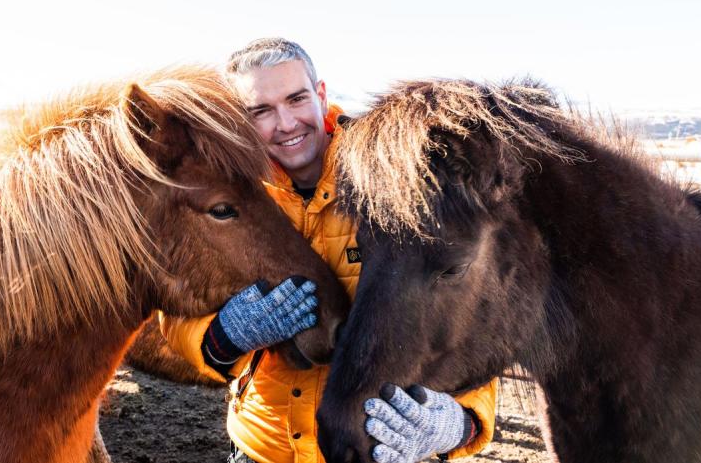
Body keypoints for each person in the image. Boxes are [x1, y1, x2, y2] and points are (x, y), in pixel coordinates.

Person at [160, 39, 498, 463]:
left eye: (296, 99)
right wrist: (224, 336)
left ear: (320, 95)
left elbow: (468, 307)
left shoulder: (395, 180)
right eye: (260, 111)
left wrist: (459, 421)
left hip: (371, 450)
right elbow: (176, 311)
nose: (285, 124)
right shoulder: (225, 197)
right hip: (261, 449)